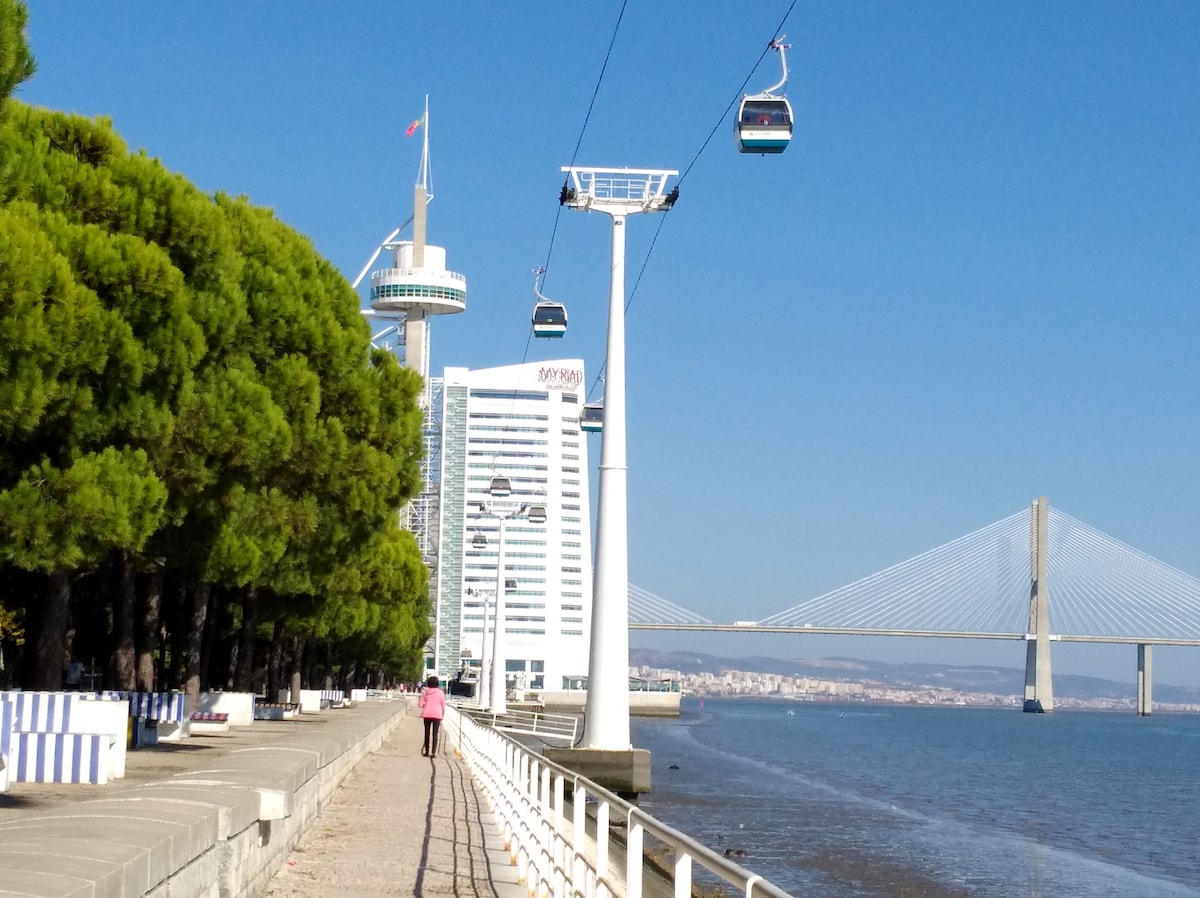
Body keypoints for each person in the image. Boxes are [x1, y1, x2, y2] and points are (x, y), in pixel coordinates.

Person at [417, 674, 446, 758]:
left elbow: (420, 704)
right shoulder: (441, 693)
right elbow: (443, 706)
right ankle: (433, 753)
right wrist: (442, 715)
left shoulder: (425, 692)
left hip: (427, 714)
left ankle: (427, 752)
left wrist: (426, 705)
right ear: (437, 684)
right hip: (437, 715)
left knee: (427, 733)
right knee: (435, 734)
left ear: (429, 683)